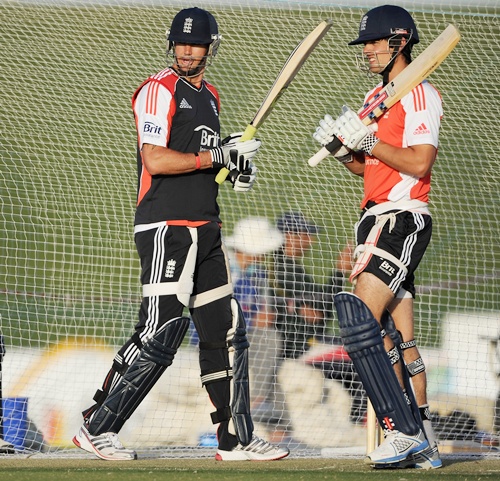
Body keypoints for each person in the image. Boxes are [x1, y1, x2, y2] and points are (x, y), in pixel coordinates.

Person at [72, 7, 289, 462]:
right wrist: (217, 157)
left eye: (197, 44)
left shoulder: (210, 97)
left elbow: (202, 163)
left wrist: (234, 170)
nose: (188, 50)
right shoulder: (158, 90)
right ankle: (98, 426)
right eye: (182, 43)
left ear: (211, 47)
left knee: (227, 330)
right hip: (166, 225)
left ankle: (235, 439)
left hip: (206, 226)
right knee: (161, 331)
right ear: (172, 45)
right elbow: (156, 159)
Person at [313, 5, 442, 469]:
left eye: (374, 42)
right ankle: (421, 436)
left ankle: (402, 431)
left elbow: (418, 163)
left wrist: (368, 141)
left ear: (400, 41)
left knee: (358, 325)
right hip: (372, 219)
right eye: (365, 44)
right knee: (389, 338)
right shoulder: (376, 96)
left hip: (402, 218)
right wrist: (343, 150)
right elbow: (373, 170)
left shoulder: (421, 94)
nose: (367, 50)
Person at [224, 217, 294, 443]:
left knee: (275, 366)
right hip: (225, 333)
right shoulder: (222, 267)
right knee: (270, 339)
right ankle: (260, 398)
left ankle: (279, 431)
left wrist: (263, 316)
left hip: (251, 334)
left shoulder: (259, 273)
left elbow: (266, 310)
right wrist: (255, 320)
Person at [272, 212, 347, 360]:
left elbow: (320, 311)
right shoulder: (287, 270)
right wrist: (340, 271)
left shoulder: (284, 266)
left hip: (297, 349)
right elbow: (320, 313)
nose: (311, 240)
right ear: (289, 236)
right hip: (297, 352)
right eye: (305, 234)